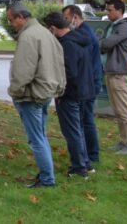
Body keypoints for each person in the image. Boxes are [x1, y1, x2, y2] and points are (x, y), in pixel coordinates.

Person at [6, 2, 66, 188]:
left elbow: (23, 71)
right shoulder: (45, 33)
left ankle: (47, 178)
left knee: (36, 139)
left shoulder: (29, 36)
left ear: (20, 17)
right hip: (45, 92)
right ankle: (46, 175)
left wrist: (15, 91)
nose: (11, 24)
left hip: (31, 95)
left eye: (11, 20)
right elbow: (59, 62)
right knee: (40, 135)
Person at [44, 12, 95, 178]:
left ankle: (79, 167)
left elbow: (68, 72)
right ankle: (85, 162)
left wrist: (59, 91)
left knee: (72, 131)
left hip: (70, 93)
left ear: (52, 28)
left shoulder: (67, 45)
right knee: (79, 129)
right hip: (84, 90)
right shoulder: (81, 39)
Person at [62, 4, 102, 165]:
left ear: (75, 17)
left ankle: (90, 155)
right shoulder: (84, 32)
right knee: (85, 119)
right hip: (90, 81)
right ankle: (88, 154)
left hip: (89, 82)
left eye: (66, 18)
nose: (65, 22)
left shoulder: (83, 35)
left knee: (85, 120)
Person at [99, 0, 127, 155]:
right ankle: (124, 142)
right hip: (113, 72)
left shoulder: (124, 27)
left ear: (119, 11)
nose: (107, 13)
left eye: (110, 10)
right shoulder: (114, 26)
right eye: (107, 10)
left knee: (125, 111)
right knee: (119, 111)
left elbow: (106, 44)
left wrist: (96, 42)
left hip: (120, 74)